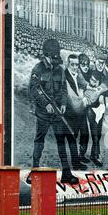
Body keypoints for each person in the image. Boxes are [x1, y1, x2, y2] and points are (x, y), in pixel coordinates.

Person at [28, 39, 79, 185]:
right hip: (43, 114)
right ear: (46, 55)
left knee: (61, 141)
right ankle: (34, 171)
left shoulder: (60, 69)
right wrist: (45, 104)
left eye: (56, 57)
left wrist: (63, 103)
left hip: (57, 113)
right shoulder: (37, 69)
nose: (54, 61)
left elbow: (63, 89)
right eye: (52, 57)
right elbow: (34, 90)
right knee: (39, 141)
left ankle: (66, 173)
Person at [64, 54, 88, 170]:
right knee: (73, 137)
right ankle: (75, 162)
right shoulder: (64, 75)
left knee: (85, 134)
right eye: (72, 64)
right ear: (68, 64)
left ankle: (81, 156)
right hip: (70, 111)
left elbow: (84, 86)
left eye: (76, 65)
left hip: (81, 109)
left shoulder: (79, 74)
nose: (74, 67)